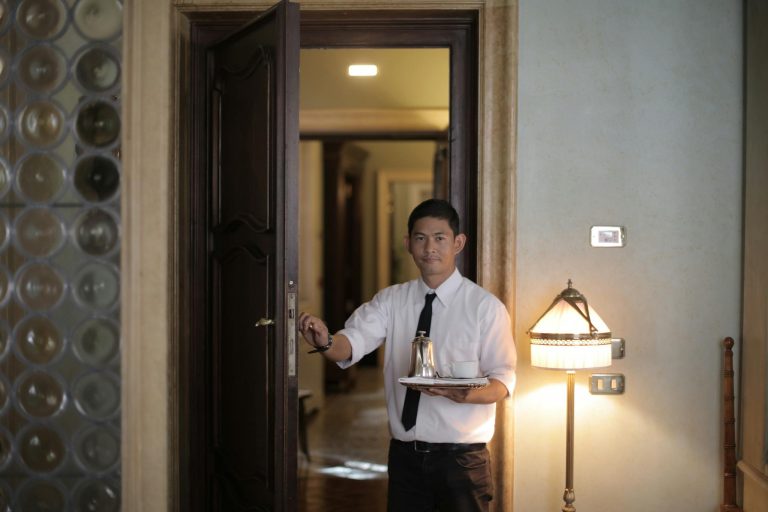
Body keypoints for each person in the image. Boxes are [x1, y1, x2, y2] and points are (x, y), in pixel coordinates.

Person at [298, 198, 516, 512]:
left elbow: (503, 381)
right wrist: (325, 340)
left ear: (458, 243)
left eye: (440, 238)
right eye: (420, 238)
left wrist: (464, 394)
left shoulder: (484, 308)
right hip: (404, 458)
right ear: (407, 244)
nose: (430, 247)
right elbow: (350, 344)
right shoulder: (390, 301)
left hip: (461, 461)